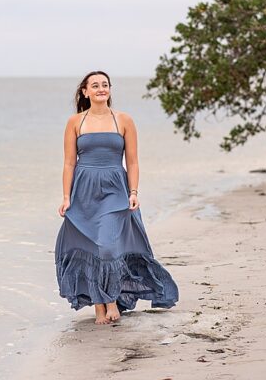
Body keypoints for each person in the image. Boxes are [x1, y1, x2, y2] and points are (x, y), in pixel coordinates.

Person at [55, 70, 179, 325]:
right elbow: (69, 163)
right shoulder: (75, 122)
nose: (101, 88)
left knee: (108, 245)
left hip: (115, 188)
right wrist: (66, 197)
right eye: (95, 85)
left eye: (105, 85)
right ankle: (99, 306)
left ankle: (111, 300)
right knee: (91, 247)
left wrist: (134, 192)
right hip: (84, 190)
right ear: (85, 92)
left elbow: (132, 162)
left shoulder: (123, 120)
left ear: (109, 90)